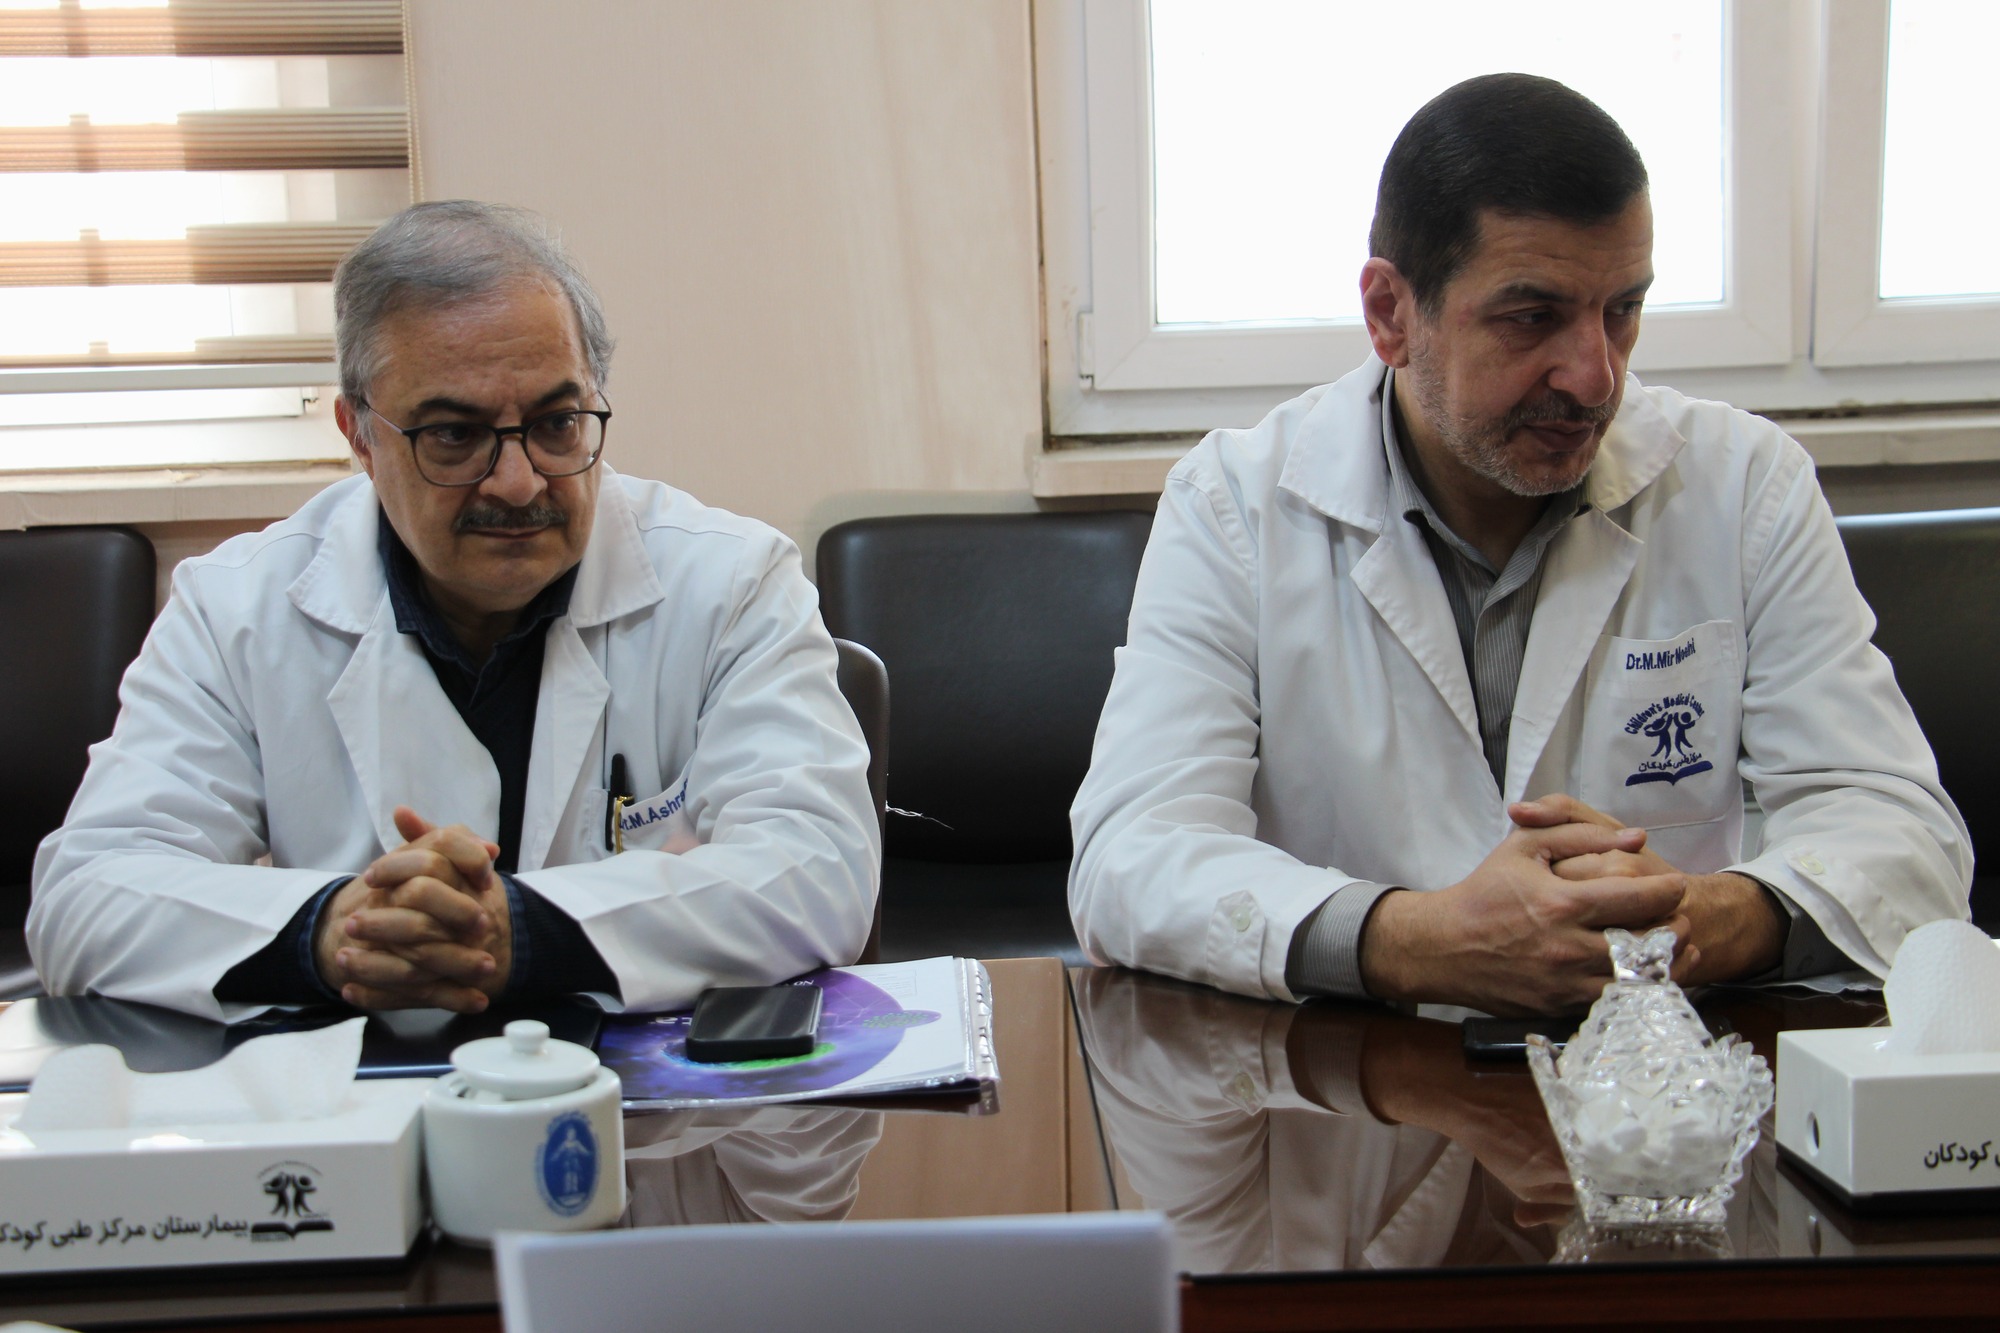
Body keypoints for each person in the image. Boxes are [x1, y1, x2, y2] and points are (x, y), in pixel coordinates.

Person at [1068, 74, 1971, 1015]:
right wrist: (1417, 941)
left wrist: (1693, 920)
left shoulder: (1745, 486)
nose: (1594, 376)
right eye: (1532, 317)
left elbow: (1905, 838)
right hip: (1348, 1085)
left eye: (1622, 309)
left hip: (1657, 1075)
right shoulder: (1234, 506)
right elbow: (1131, 856)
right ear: (1390, 314)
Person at [30, 201, 879, 1020]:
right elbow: (85, 897)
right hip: (349, 1095)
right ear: (359, 436)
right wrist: (330, 931)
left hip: (641, 1102)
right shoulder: (234, 609)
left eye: (556, 422)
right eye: (453, 435)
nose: (517, 480)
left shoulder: (732, 580)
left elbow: (820, 869)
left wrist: (526, 931)